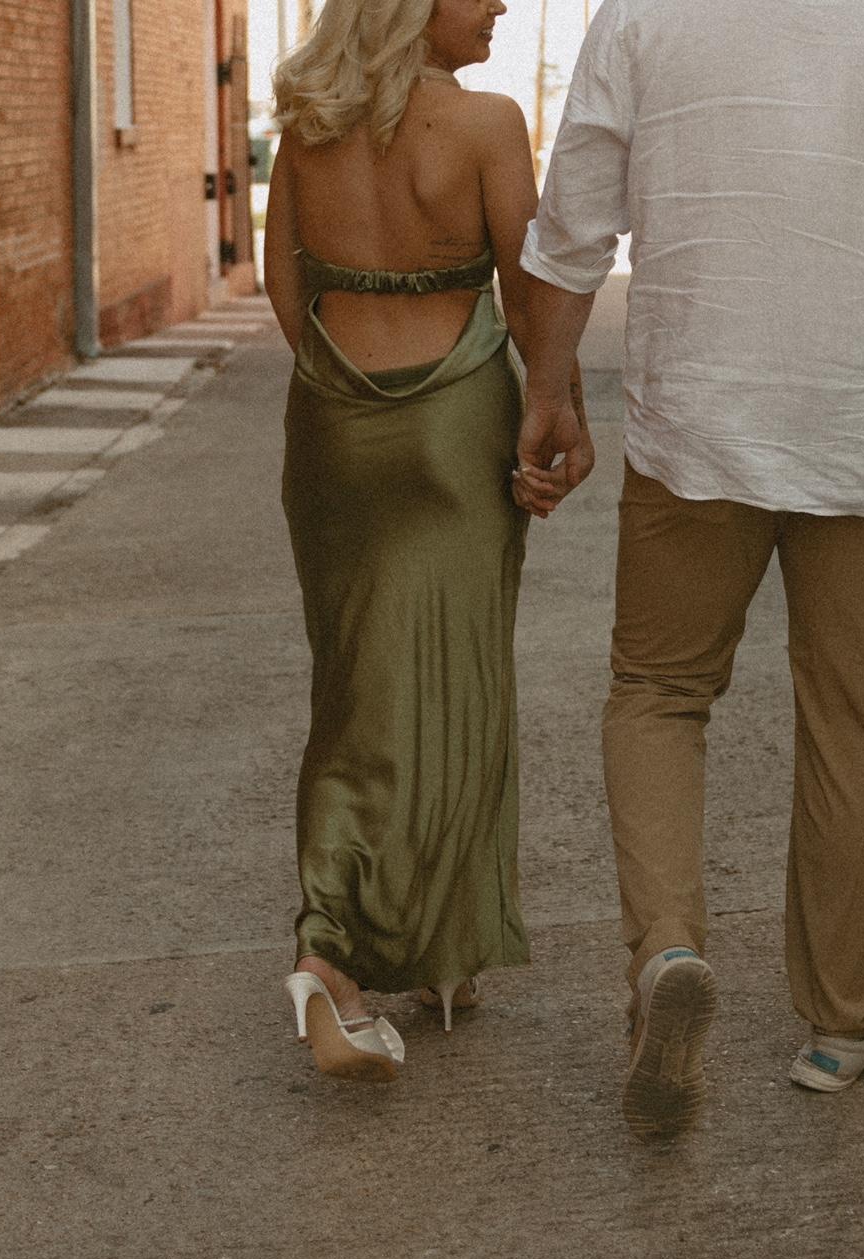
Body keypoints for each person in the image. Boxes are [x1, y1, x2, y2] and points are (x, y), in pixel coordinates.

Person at [515, 0, 864, 1137]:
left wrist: (548, 390)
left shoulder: (644, 16)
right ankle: (840, 1024)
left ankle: (666, 952)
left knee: (658, 692)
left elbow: (571, 226)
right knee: (849, 714)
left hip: (696, 425)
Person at [266, 0, 587, 1080]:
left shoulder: (308, 123)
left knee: (353, 688)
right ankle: (363, 952)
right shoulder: (488, 126)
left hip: (332, 421)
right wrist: (557, 410)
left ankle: (375, 945)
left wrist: (343, 388)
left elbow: (283, 283)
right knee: (459, 681)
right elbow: (530, 296)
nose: (499, 4)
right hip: (456, 426)